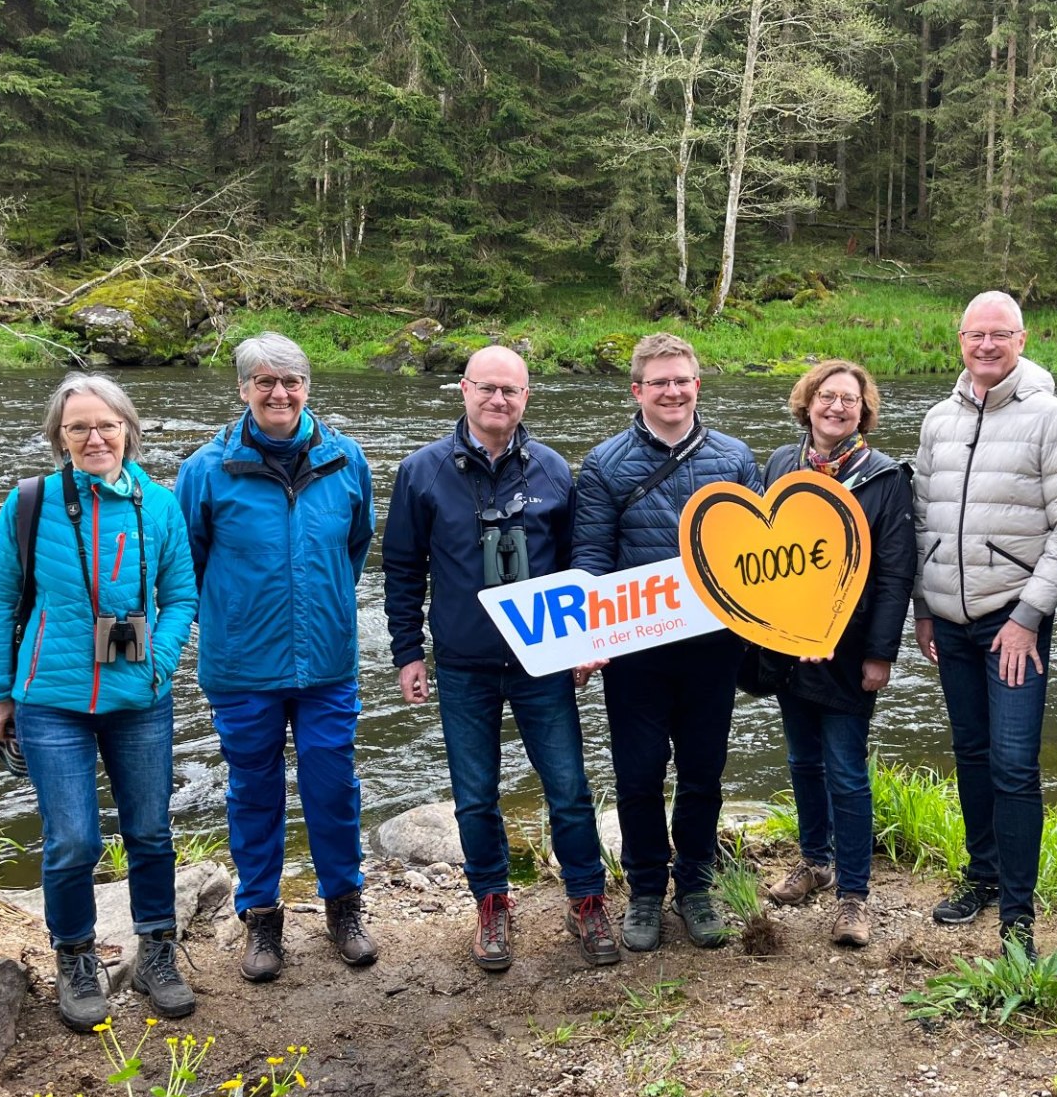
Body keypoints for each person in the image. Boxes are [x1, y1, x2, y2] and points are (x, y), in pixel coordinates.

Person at [0, 374, 199, 1032]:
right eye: (79, 428)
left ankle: (158, 949)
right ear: (60, 438)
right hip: (51, 698)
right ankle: (75, 955)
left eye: (106, 425)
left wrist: (158, 658)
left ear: (128, 429)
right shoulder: (28, 504)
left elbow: (182, 594)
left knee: (151, 832)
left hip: (141, 697)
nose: (94, 437)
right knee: (73, 840)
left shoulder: (158, 505)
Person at [382, 346, 619, 972]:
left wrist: (585, 642)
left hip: (543, 660)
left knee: (568, 787)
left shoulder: (552, 471)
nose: (498, 400)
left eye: (510, 391)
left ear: (526, 397)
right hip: (462, 663)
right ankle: (491, 901)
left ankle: (586, 898)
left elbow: (579, 566)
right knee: (474, 796)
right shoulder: (422, 472)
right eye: (487, 388)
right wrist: (409, 652)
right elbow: (403, 570)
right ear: (464, 390)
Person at [174, 333, 379, 985]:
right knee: (253, 793)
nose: (279, 393)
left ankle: (344, 909)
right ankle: (261, 918)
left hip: (326, 662)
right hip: (241, 668)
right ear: (243, 390)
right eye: (265, 382)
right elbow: (187, 565)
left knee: (333, 788)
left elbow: (355, 545)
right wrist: (234, 621)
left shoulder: (347, 460)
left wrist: (318, 612)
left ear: (308, 387)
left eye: (291, 381)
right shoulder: (206, 470)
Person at [912, 290, 1057, 953]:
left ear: (1021, 339)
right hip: (950, 623)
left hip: (1011, 620)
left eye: (999, 334)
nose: (985, 345)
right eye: (974, 335)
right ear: (959, 340)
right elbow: (921, 520)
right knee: (971, 754)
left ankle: (1018, 914)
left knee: (1015, 765)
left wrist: (1028, 617)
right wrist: (923, 610)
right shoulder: (937, 421)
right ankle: (981, 877)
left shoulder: (1055, 419)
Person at [574, 332, 762, 953]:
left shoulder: (736, 458)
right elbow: (593, 557)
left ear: (697, 386)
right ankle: (647, 891)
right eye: (659, 382)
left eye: (682, 379)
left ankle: (697, 887)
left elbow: (756, 556)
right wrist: (591, 636)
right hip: (636, 651)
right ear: (637, 390)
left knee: (704, 773)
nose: (672, 390)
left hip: (714, 648)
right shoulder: (605, 464)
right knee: (638, 773)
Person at [761, 361, 916, 948]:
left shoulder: (884, 478)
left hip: (849, 652)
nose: (837, 408)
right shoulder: (781, 463)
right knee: (802, 762)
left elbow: (895, 574)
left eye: (850, 400)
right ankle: (814, 862)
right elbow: (762, 553)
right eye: (827, 396)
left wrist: (881, 654)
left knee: (847, 773)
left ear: (863, 410)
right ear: (809, 402)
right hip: (787, 648)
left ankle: (853, 896)